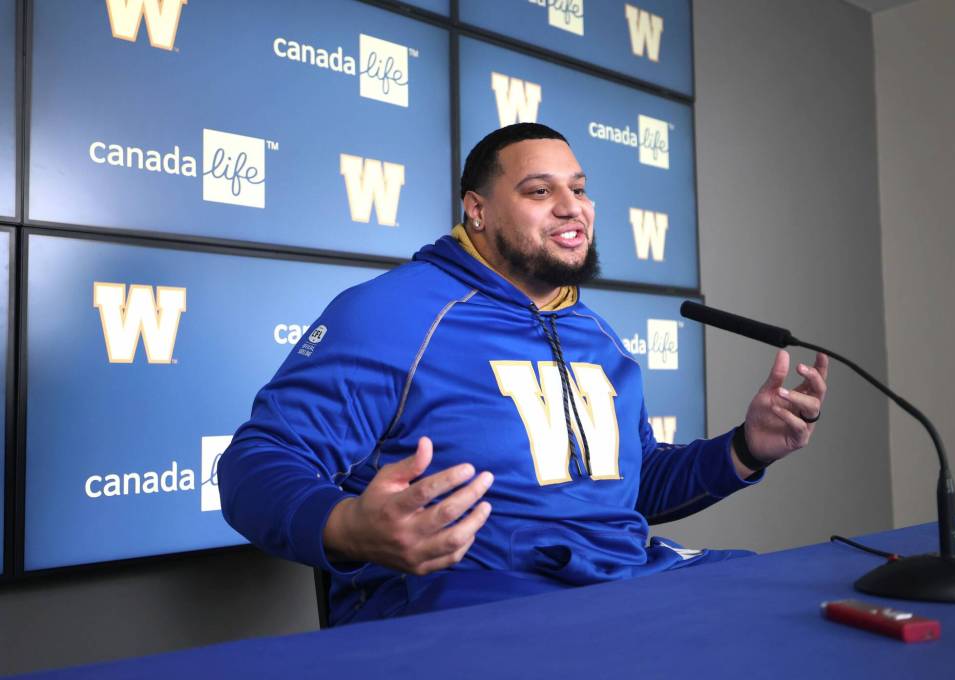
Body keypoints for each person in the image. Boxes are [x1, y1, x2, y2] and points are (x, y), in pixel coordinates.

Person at [219, 123, 828, 625]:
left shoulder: (594, 331)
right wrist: (348, 526)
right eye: (539, 191)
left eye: (580, 189)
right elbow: (256, 462)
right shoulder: (395, 313)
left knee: (790, 601)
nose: (573, 208)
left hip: (620, 586)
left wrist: (747, 449)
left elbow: (630, 491)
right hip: (475, 601)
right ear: (477, 211)